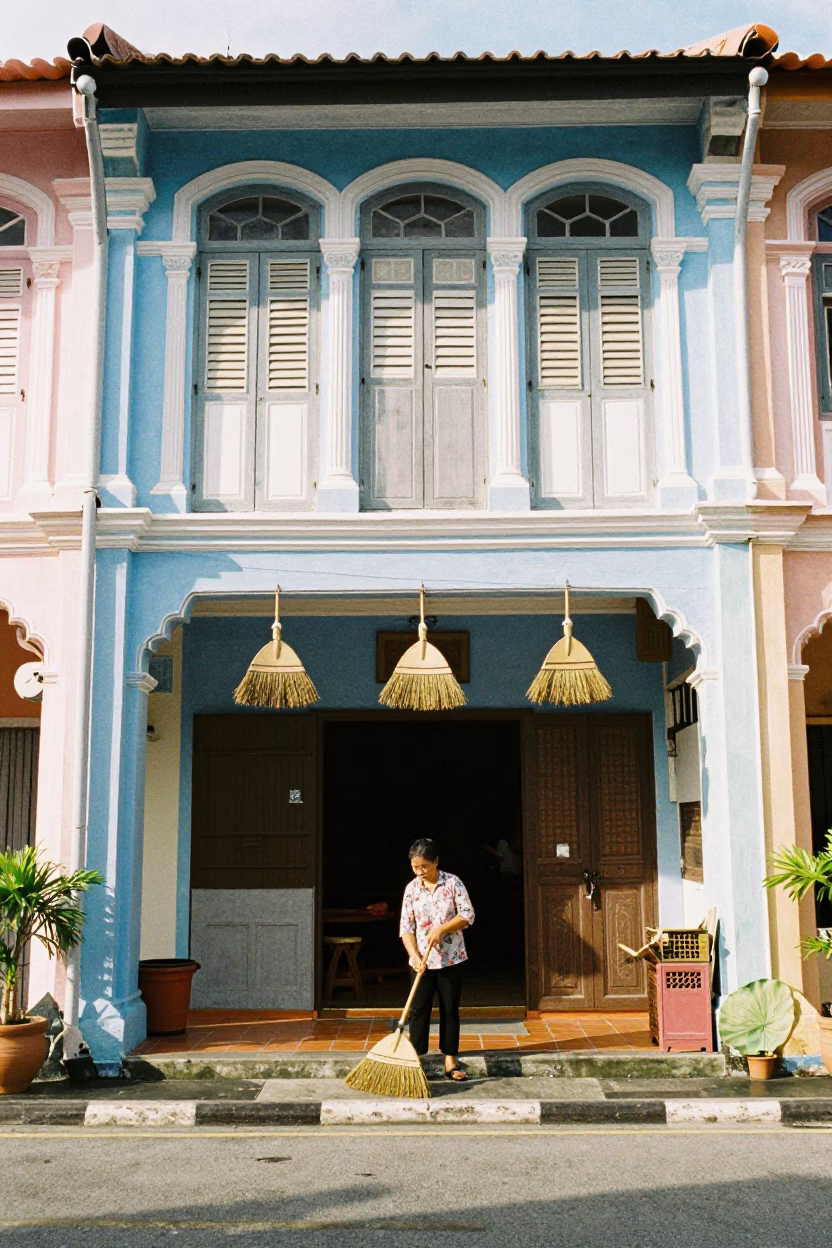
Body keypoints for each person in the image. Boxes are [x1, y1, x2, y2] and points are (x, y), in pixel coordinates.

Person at [399, 837, 475, 1082]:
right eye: (415, 867)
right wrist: (414, 955)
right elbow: (406, 927)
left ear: (436, 862)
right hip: (421, 960)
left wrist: (442, 929)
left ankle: (450, 1060)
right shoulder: (411, 889)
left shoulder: (452, 883)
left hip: (451, 958)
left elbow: (467, 915)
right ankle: (416, 1059)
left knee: (449, 1009)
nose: (420, 872)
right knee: (419, 1009)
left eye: (424, 867)